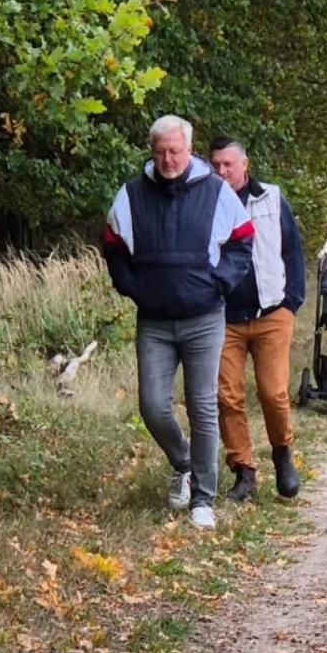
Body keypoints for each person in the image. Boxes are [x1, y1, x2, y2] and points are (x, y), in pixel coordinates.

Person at [102, 115, 254, 530]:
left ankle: (203, 498)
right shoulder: (132, 194)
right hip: (154, 319)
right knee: (152, 405)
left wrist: (219, 283)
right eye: (161, 152)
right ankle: (182, 461)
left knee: (203, 405)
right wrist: (134, 288)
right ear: (152, 152)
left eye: (175, 151)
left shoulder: (217, 191)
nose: (168, 159)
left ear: (189, 149)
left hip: (204, 316)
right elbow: (113, 246)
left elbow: (243, 240)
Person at [209, 137, 305, 502]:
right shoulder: (206, 203)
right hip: (224, 316)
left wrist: (292, 301)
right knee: (227, 396)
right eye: (216, 165)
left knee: (273, 391)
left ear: (244, 165)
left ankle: (282, 452)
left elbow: (292, 250)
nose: (222, 171)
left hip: (271, 311)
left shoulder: (270, 198)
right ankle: (244, 471)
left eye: (228, 164)